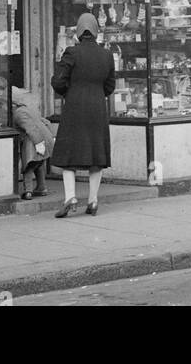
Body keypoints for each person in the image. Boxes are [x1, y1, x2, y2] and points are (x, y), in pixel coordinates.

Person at [50, 12, 115, 218]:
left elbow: (58, 81)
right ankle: (93, 201)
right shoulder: (106, 55)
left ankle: (70, 197)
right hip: (97, 108)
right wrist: (96, 94)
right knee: (97, 156)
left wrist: (69, 92)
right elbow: (110, 86)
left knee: (68, 156)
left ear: (78, 33)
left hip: (75, 108)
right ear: (96, 32)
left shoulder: (71, 53)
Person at [11, 85, 56, 200]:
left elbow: (31, 129)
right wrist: (50, 136)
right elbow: (46, 122)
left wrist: (38, 143)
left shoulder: (19, 113)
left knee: (28, 167)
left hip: (32, 143)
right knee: (39, 165)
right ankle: (42, 188)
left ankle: (28, 191)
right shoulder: (29, 109)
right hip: (44, 140)